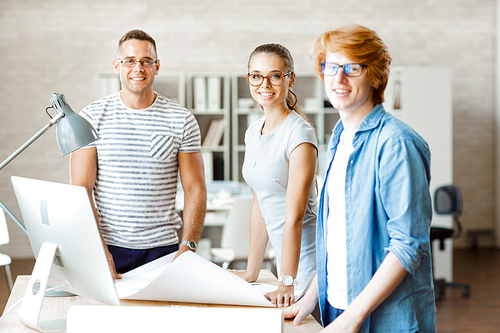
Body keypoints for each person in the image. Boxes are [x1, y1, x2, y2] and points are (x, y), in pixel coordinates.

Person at [283, 25, 437, 332]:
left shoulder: (396, 143)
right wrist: (310, 298)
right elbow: (337, 237)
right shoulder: (339, 138)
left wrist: (353, 317)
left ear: (375, 75)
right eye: (330, 67)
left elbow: (407, 245)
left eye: (352, 68)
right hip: (336, 306)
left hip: (384, 317)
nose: (338, 79)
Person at [70, 30, 207, 280]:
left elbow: (195, 188)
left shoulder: (182, 119)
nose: (138, 67)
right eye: (130, 60)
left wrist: (189, 245)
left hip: (163, 249)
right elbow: (81, 190)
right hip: (108, 246)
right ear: (117, 66)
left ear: (157, 67)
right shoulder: (90, 118)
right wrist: (98, 248)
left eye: (146, 61)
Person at [230, 43, 318, 307]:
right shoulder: (253, 131)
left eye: (275, 76)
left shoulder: (299, 134)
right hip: (285, 262)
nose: (264, 84)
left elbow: (295, 215)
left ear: (290, 79)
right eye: (256, 76)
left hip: (307, 261)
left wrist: (287, 281)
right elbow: (260, 207)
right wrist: (251, 272)